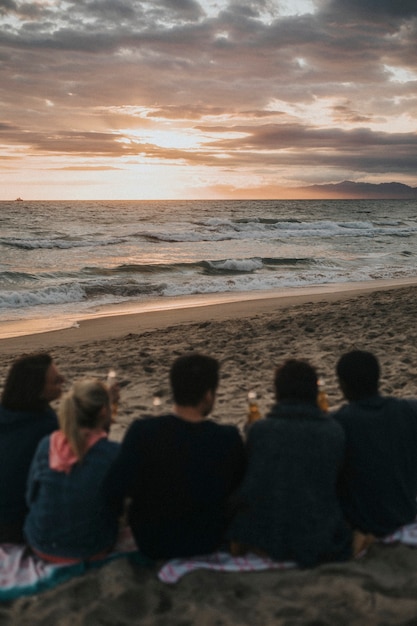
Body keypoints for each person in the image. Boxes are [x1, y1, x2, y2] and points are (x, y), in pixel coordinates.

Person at [104, 353, 245, 559]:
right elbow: (240, 493)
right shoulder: (227, 438)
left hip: (152, 543)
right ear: (208, 395)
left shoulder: (143, 432)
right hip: (208, 542)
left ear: (174, 390)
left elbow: (112, 491)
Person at [228, 359, 352, 567]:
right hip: (321, 539)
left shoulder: (260, 431)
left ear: (278, 393)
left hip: (269, 540)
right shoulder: (333, 431)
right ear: (314, 392)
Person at [24, 379, 120, 563]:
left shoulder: (47, 444)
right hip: (90, 548)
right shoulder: (112, 453)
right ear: (103, 412)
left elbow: (31, 497)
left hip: (40, 544)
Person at [334, 350, 417, 537]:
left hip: (362, 526)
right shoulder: (408, 411)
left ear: (342, 385)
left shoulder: (339, 423)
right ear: (378, 378)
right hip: (405, 514)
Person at [0, 352, 64, 543]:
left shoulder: (6, 414)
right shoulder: (47, 427)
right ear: (37, 391)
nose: (63, 379)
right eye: (55, 380)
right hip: (17, 526)